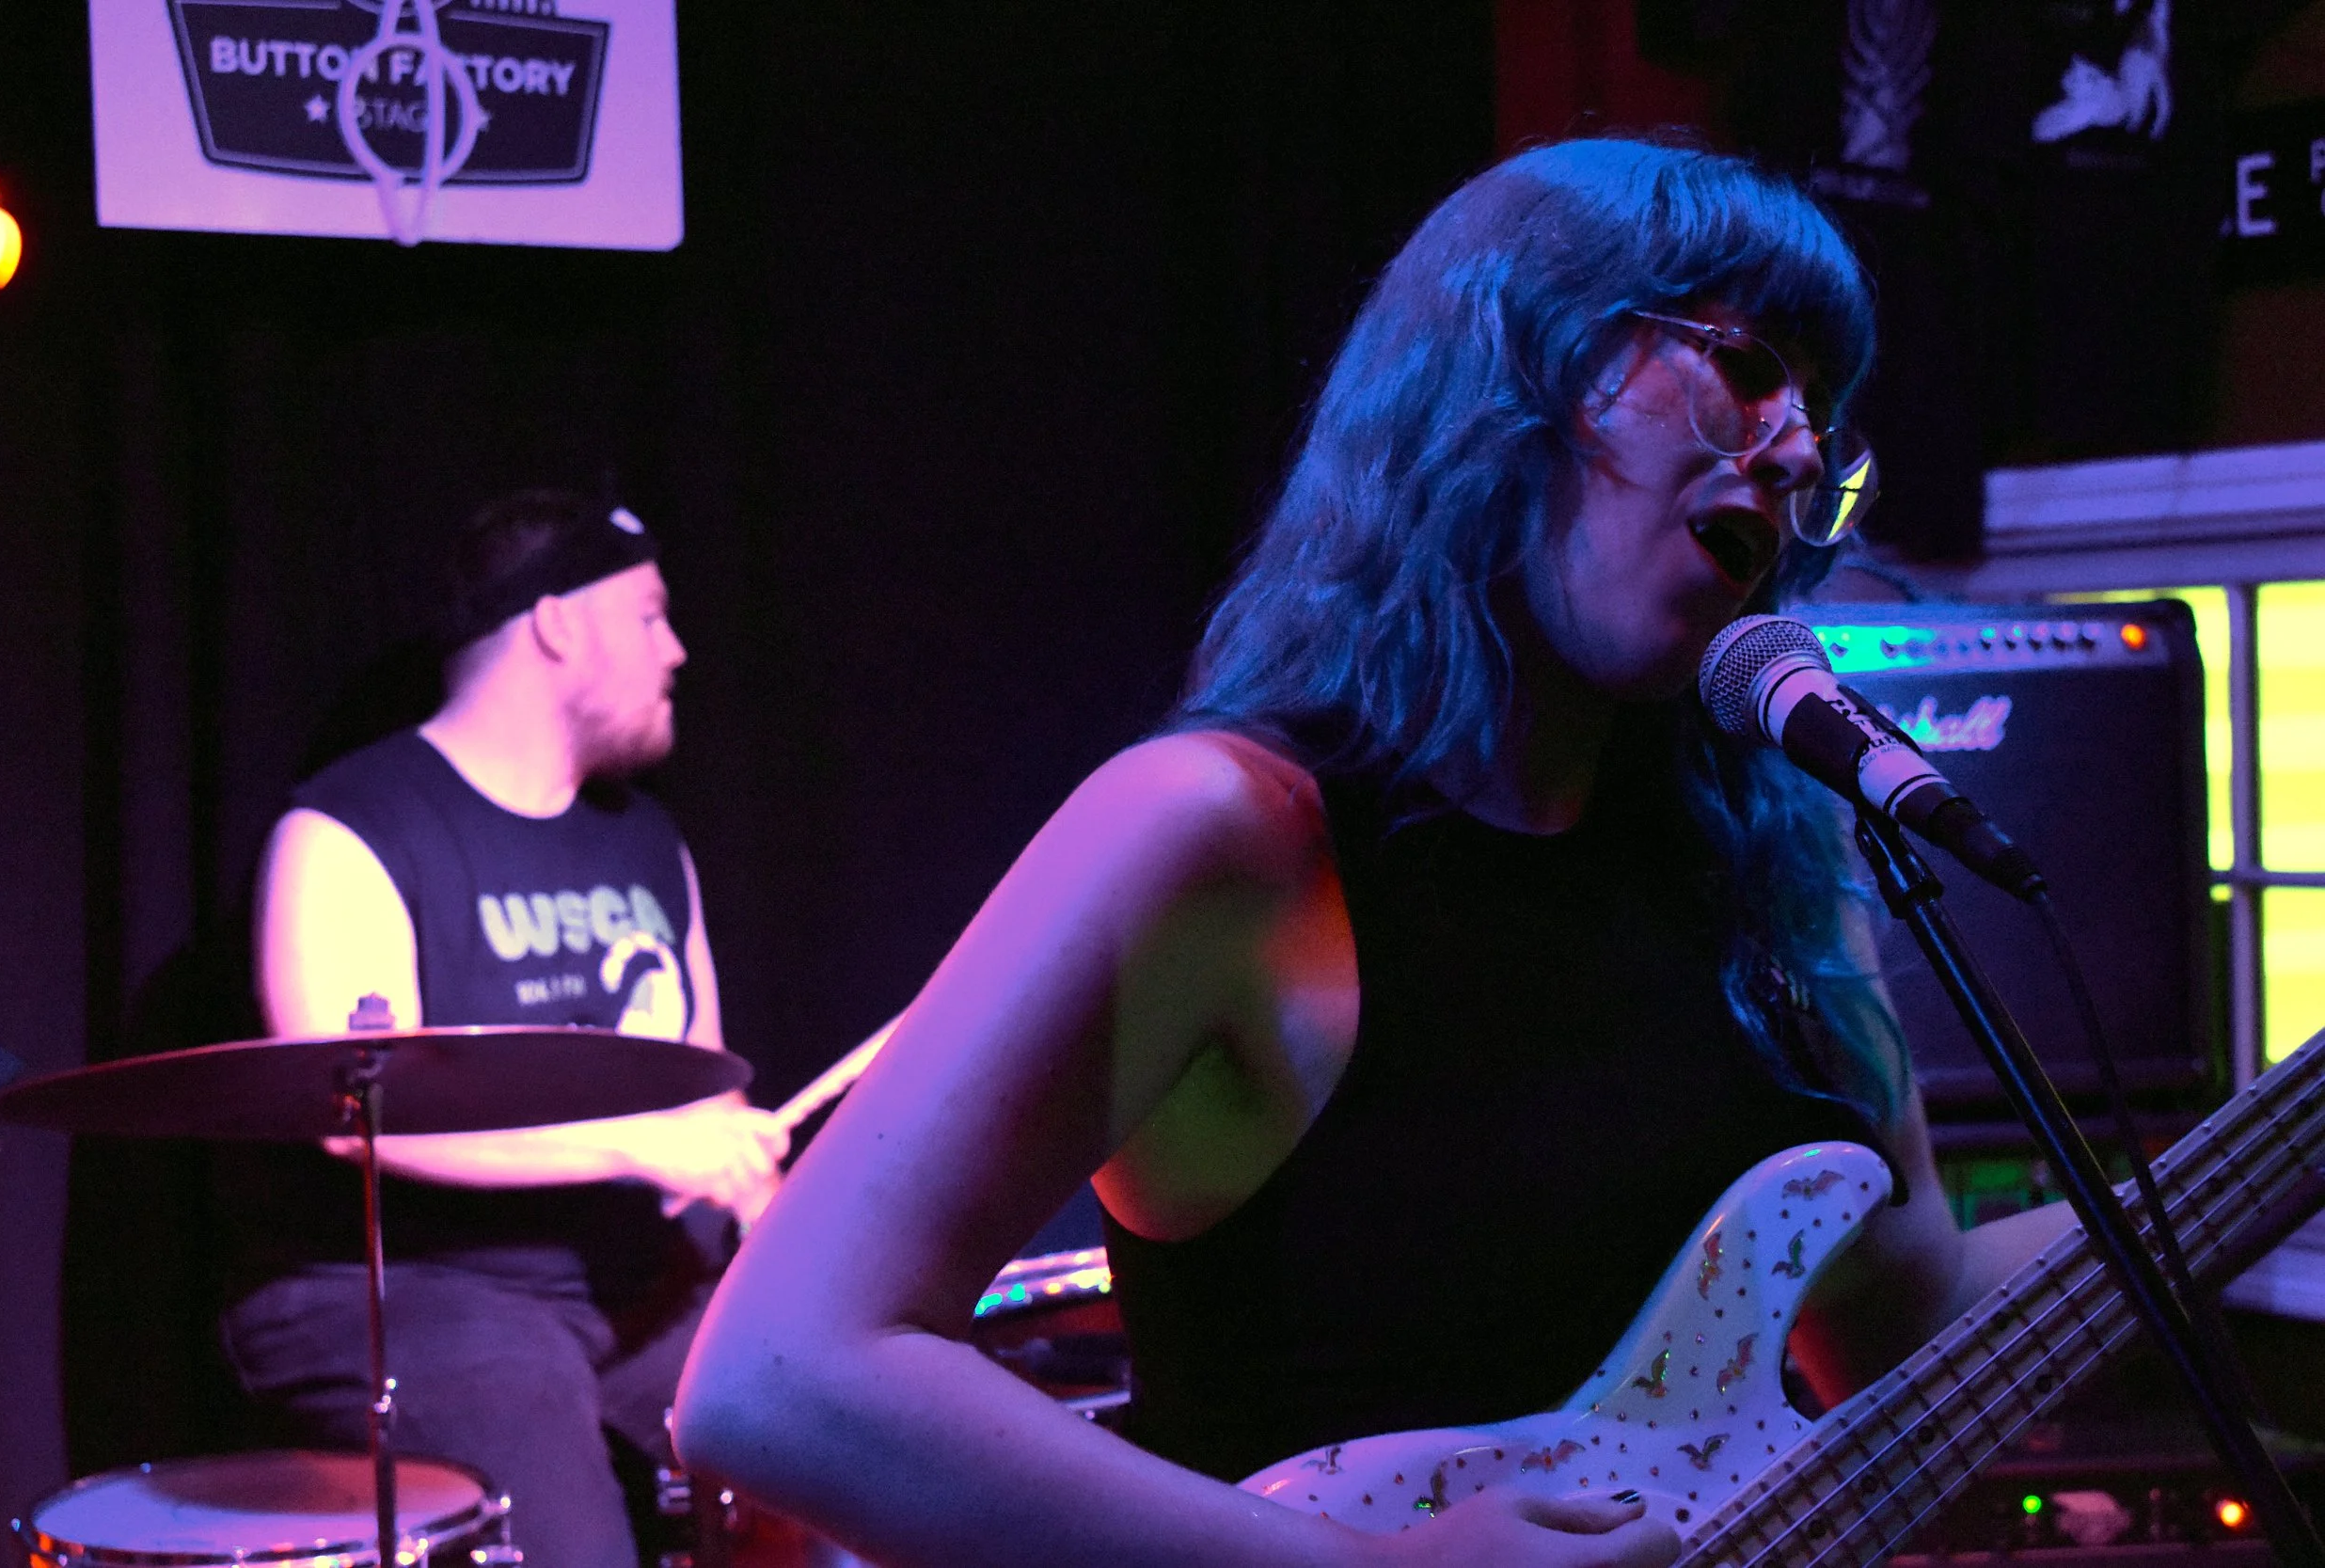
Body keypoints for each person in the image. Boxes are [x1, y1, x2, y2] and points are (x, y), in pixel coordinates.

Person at [671, 139, 2077, 1566]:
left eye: (1820, 413)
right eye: (1745, 363)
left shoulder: (1773, 858)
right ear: (1515, 370)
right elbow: (779, 1377)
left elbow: (1902, 1333)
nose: (1795, 450)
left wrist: (2223, 1175)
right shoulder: (1224, 831)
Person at [218, 489, 787, 1568]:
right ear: (558, 623)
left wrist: (755, 1192)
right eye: (649, 615)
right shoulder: (348, 826)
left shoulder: (649, 838)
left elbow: (703, 1095)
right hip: (408, 1293)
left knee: (850, 1464)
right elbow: (354, 1109)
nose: (676, 649)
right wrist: (634, 1143)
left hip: (630, 1280)